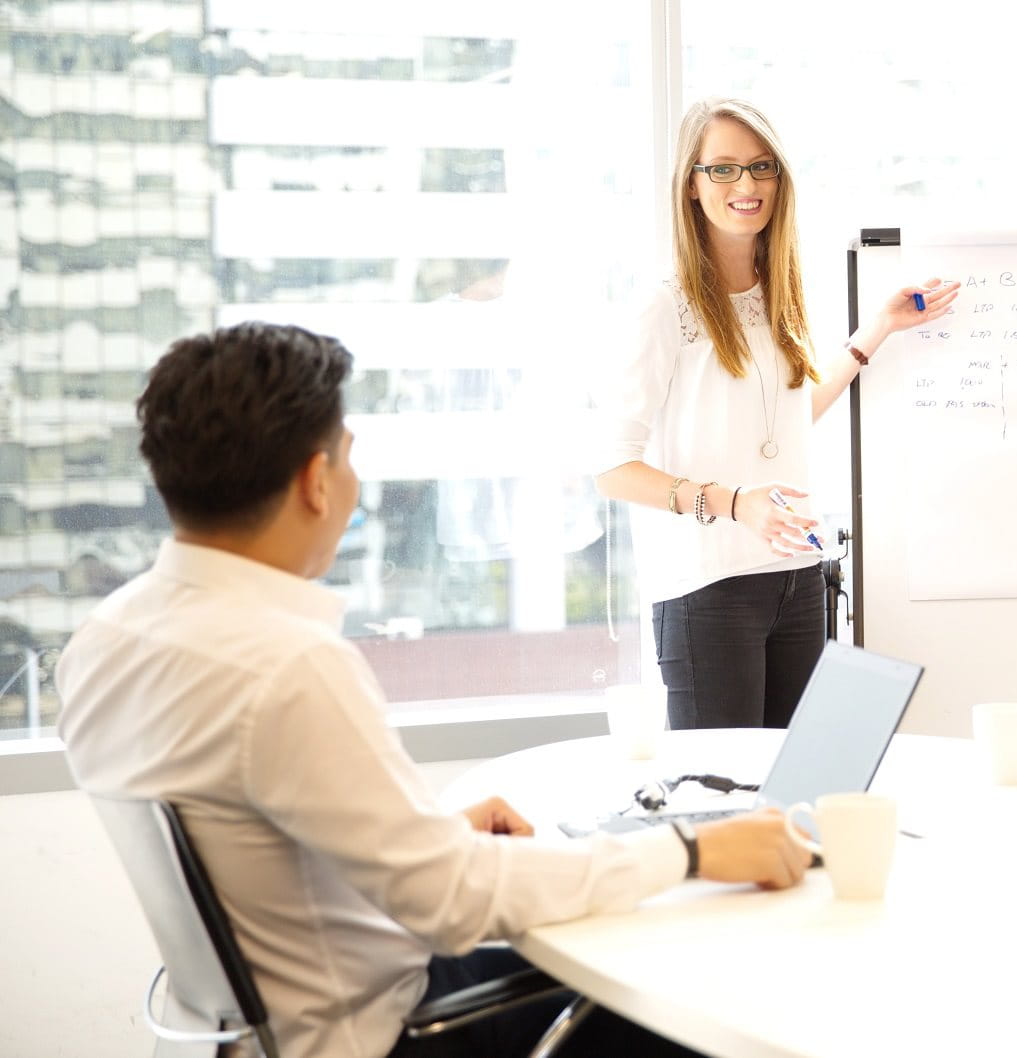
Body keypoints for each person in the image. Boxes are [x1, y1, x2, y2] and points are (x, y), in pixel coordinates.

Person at [57, 323, 813, 1058]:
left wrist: (425, 831)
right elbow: (454, 902)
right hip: (390, 1030)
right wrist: (690, 849)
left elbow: (255, 841)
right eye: (348, 458)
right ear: (315, 482)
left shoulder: (104, 641)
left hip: (263, 1025)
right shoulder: (286, 667)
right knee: (705, 994)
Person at [595, 97, 959, 731]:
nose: (747, 185)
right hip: (708, 589)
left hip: (795, 576)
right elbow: (610, 468)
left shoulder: (780, 294)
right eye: (725, 169)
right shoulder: (664, 306)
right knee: (725, 801)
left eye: (762, 167)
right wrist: (737, 503)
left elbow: (788, 415)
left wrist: (875, 331)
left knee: (796, 791)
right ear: (691, 185)